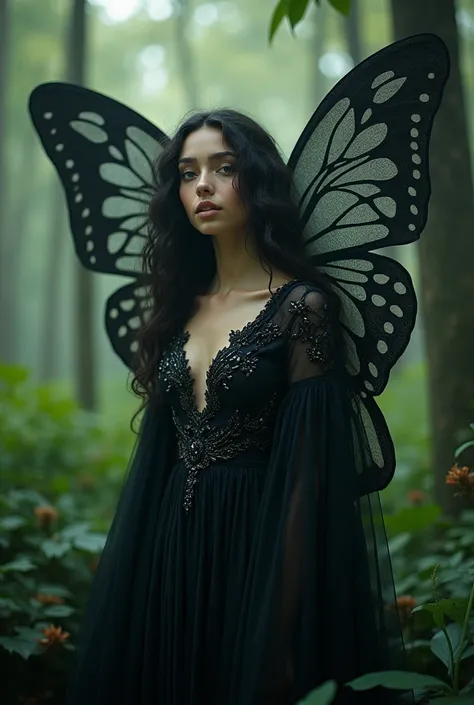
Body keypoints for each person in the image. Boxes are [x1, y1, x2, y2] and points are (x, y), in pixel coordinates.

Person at [28, 33, 448, 705]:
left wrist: (279, 630)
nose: (204, 186)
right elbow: (159, 455)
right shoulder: (177, 308)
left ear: (257, 177)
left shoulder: (303, 308)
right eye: (189, 173)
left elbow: (309, 479)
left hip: (261, 548)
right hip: (168, 544)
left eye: (223, 167)